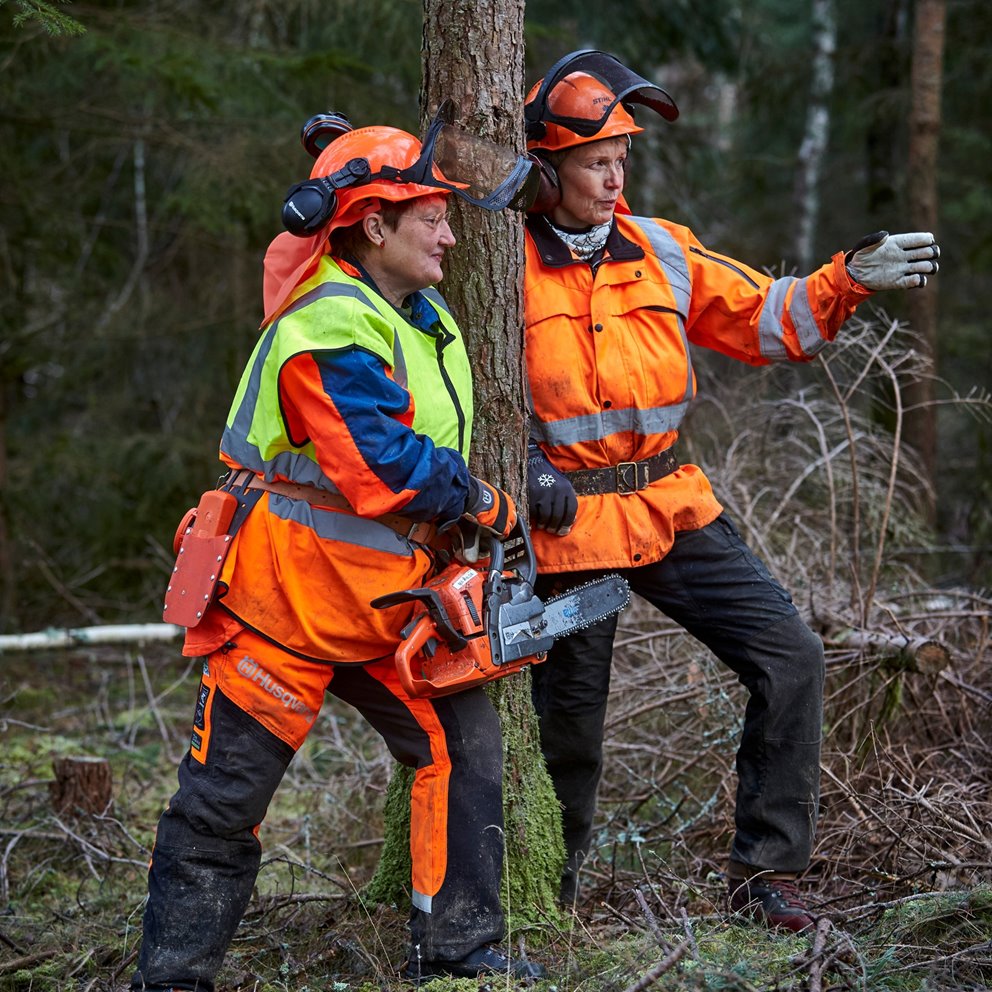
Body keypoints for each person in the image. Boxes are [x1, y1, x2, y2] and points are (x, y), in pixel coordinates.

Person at [520, 50, 941, 932]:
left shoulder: (662, 249)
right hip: (567, 527)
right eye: (596, 161)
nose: (613, 176)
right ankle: (544, 910)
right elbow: (464, 388)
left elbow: (765, 318)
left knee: (791, 656)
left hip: (670, 505)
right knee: (570, 731)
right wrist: (524, 464)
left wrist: (846, 280)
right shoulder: (499, 265)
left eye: (621, 160)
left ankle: (766, 877)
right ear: (545, 165)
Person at [132, 115, 545, 990]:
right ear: (372, 226)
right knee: (222, 803)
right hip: (286, 601)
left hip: (391, 599)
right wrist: (476, 499)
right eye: (429, 217)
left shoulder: (419, 315)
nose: (448, 232)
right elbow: (380, 465)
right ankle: (170, 979)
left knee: (463, 749)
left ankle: (459, 952)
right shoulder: (326, 325)